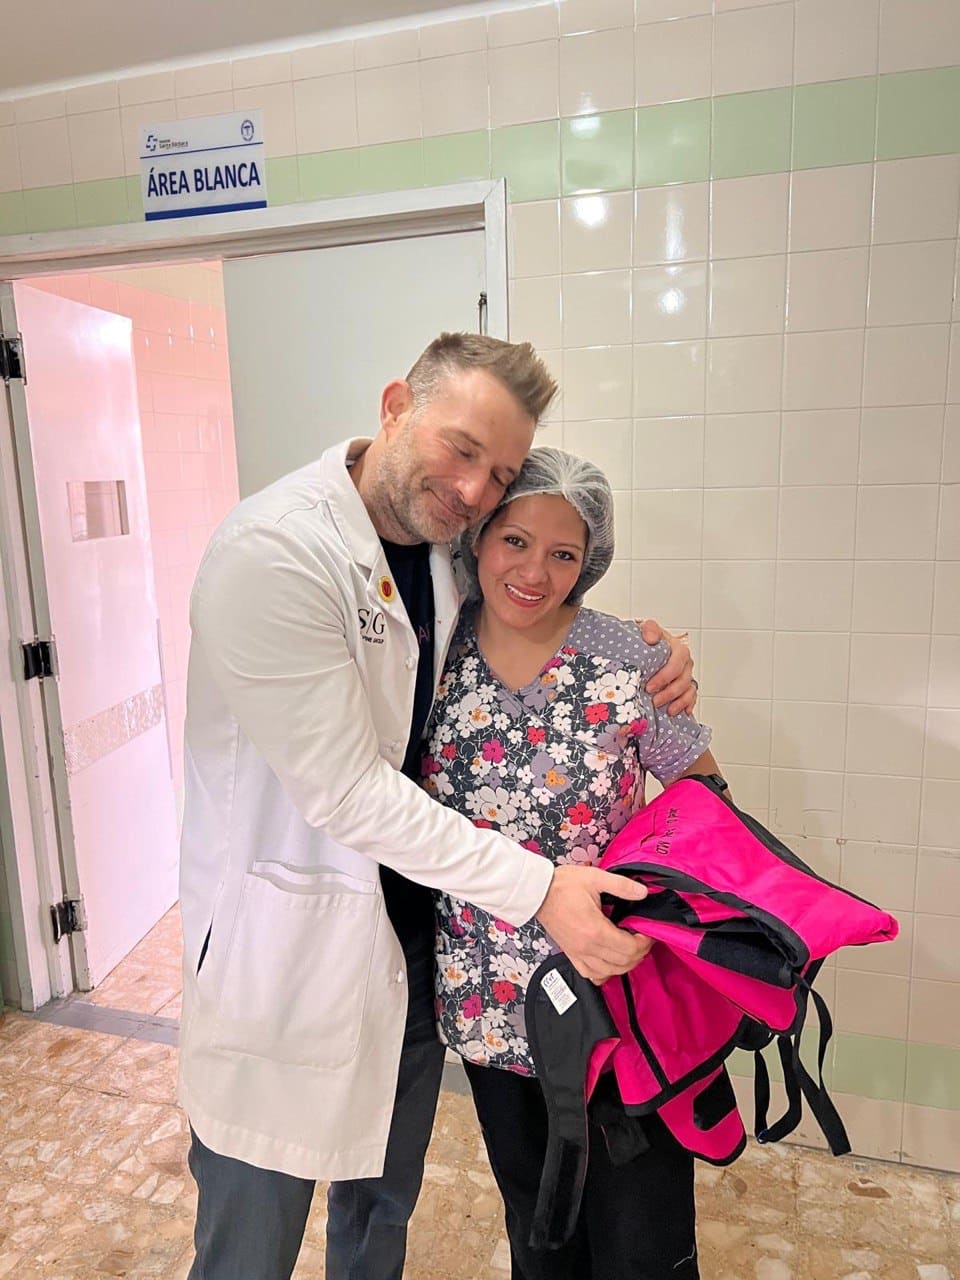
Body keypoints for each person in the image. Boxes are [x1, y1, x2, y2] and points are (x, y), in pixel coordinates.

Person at [177, 333, 698, 1280]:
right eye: (462, 449)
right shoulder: (274, 552)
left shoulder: (444, 555)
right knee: (252, 1237)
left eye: (497, 473)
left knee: (380, 1213)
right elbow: (346, 789)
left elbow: (534, 600)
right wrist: (540, 888)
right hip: (284, 955)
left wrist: (646, 649)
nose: (472, 489)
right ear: (394, 407)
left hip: (411, 947)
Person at [419, 447, 721, 1280]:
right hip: (487, 997)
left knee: (642, 1233)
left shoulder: (626, 657)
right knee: (537, 1224)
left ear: (591, 561)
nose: (534, 573)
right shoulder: (431, 658)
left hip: (614, 991)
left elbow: (703, 800)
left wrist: (662, 915)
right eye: (515, 541)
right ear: (478, 538)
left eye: (563, 554)